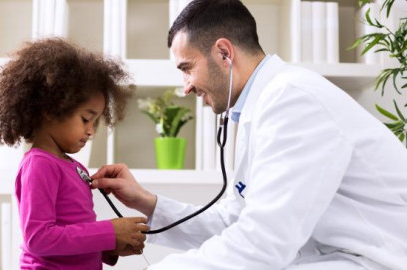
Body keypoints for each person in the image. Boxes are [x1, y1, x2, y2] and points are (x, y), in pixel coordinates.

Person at [90, 0, 407, 269]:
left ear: (224, 53)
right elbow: (235, 222)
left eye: (187, 68)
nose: (185, 86)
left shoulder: (293, 100)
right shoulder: (263, 105)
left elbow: (263, 242)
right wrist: (147, 203)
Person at [0, 38, 149, 269]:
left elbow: (70, 235)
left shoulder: (74, 166)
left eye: (95, 122)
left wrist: (109, 245)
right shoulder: (39, 165)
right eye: (86, 119)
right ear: (49, 110)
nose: (91, 131)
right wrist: (109, 231)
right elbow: (39, 239)